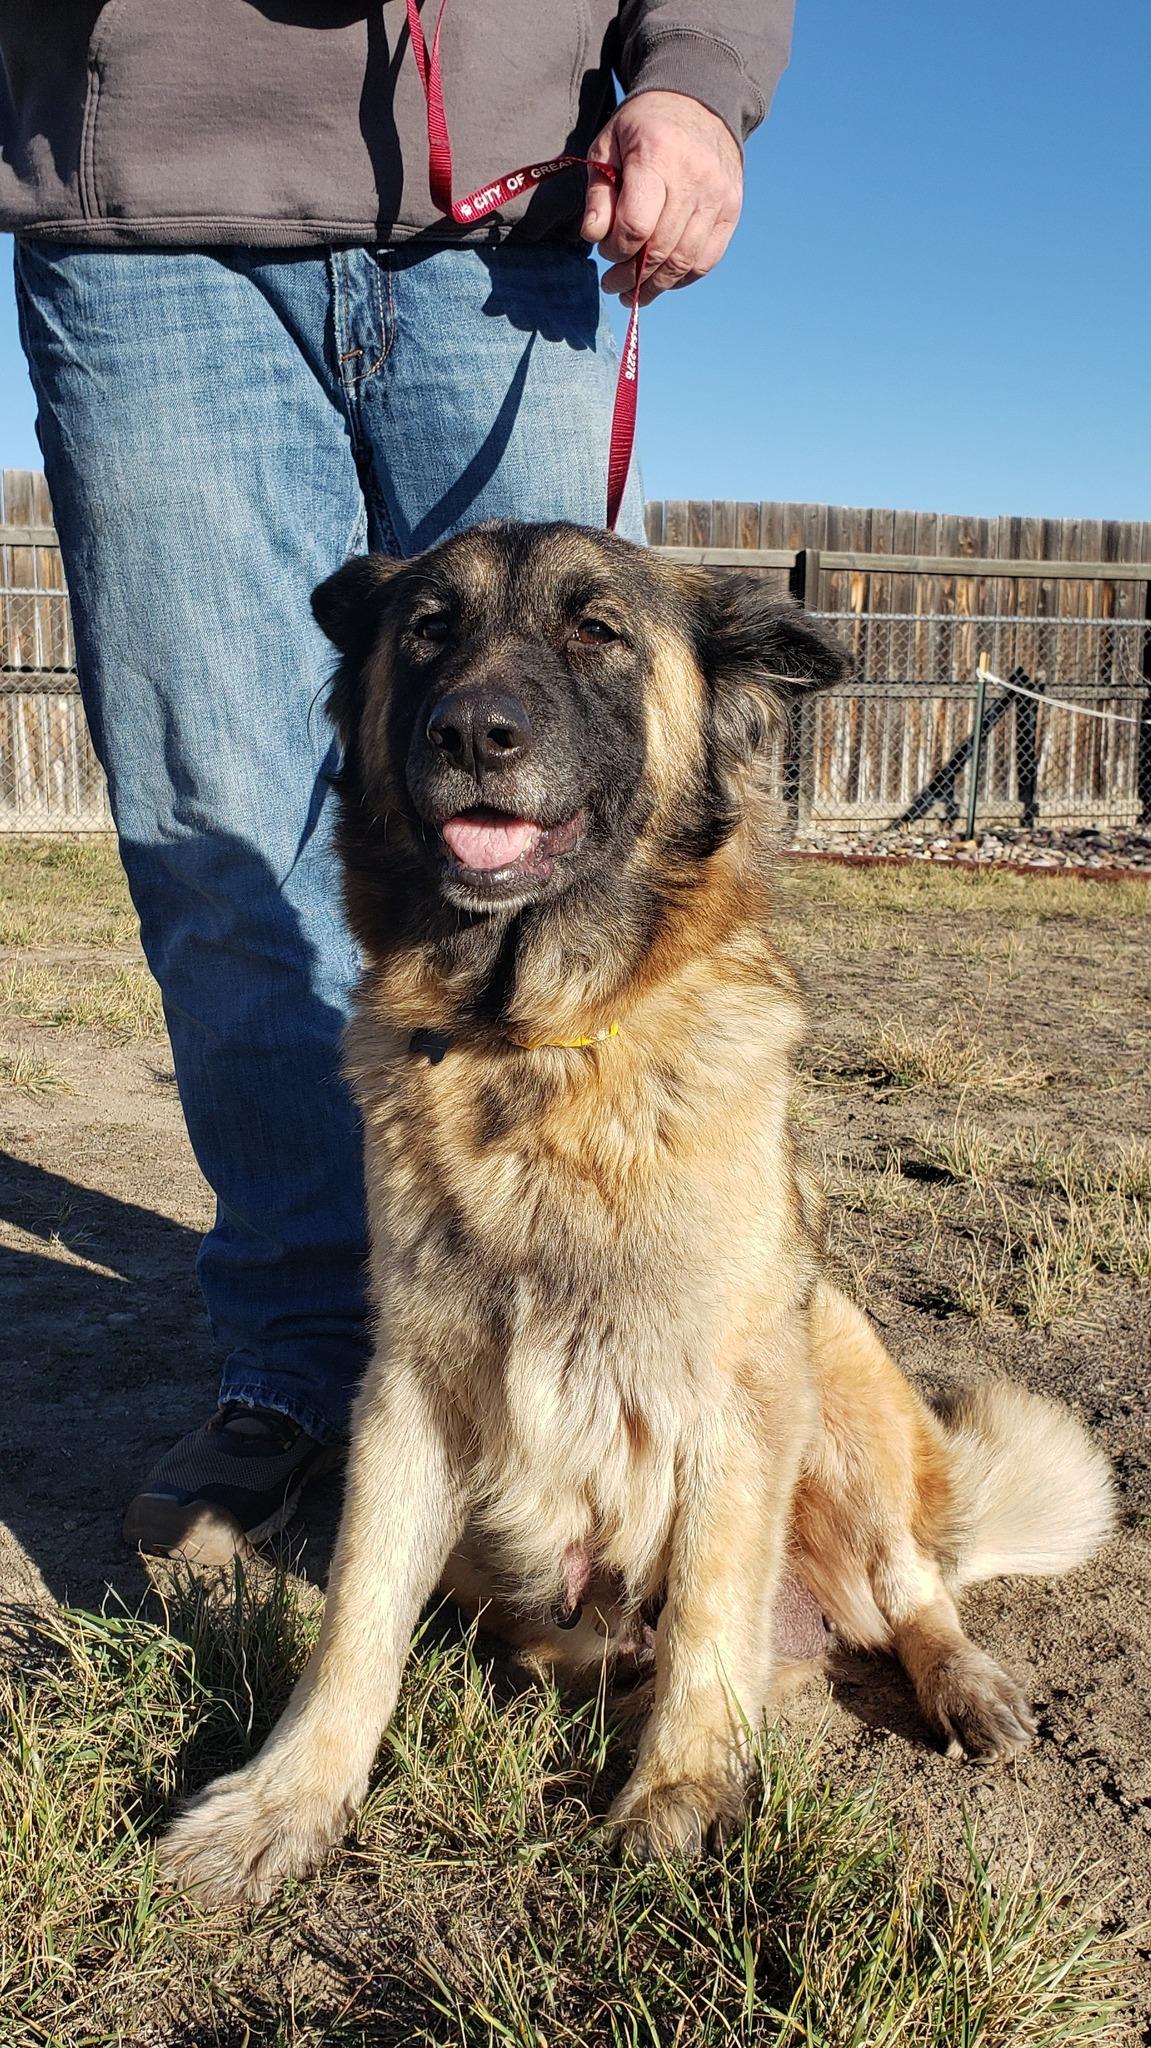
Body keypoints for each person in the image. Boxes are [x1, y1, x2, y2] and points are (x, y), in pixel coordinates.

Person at [1, 1, 794, 1563]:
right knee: (220, 832)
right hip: (144, 200)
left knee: (583, 832)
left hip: (520, 204)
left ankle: (589, 1356)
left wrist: (700, 80)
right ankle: (303, 1357)